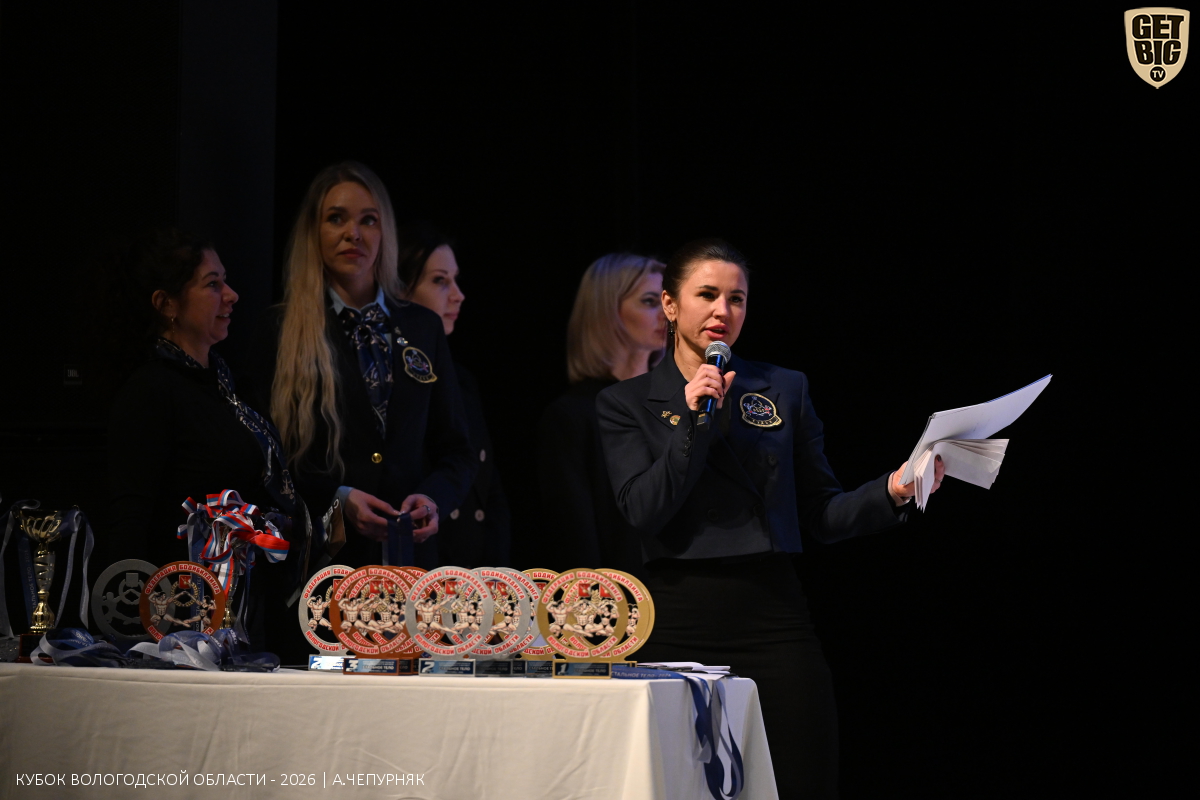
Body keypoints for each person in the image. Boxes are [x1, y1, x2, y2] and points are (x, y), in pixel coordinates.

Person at [596, 238, 946, 797]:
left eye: (736, 298)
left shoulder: (782, 387)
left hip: (771, 617)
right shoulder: (625, 403)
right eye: (707, 295)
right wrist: (691, 418)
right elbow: (644, 509)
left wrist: (893, 489)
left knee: (802, 774)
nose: (723, 310)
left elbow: (821, 513)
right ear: (670, 305)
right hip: (675, 618)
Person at [246, 162, 476, 571]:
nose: (354, 233)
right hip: (324, 565)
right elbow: (268, 456)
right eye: (336, 218)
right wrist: (340, 497)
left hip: (411, 564)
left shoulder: (422, 326)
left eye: (368, 220)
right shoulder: (281, 328)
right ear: (313, 231)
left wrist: (433, 498)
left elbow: (456, 449)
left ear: (385, 232)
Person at [106, 228, 312, 661]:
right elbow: (130, 519)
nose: (232, 295)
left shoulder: (227, 385)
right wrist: (138, 636)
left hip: (246, 612)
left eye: (226, 281)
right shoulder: (151, 391)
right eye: (213, 284)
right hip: (184, 628)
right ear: (167, 304)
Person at [535, 253, 666, 574]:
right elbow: (574, 540)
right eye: (650, 302)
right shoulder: (572, 417)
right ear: (607, 311)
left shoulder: (677, 404)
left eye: (668, 302)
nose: (666, 314)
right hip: (619, 596)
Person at [396, 220, 510, 567]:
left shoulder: (462, 380)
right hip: (421, 567)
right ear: (400, 290)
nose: (458, 294)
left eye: (455, 279)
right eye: (439, 280)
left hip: (472, 575)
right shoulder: (387, 381)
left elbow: (488, 490)